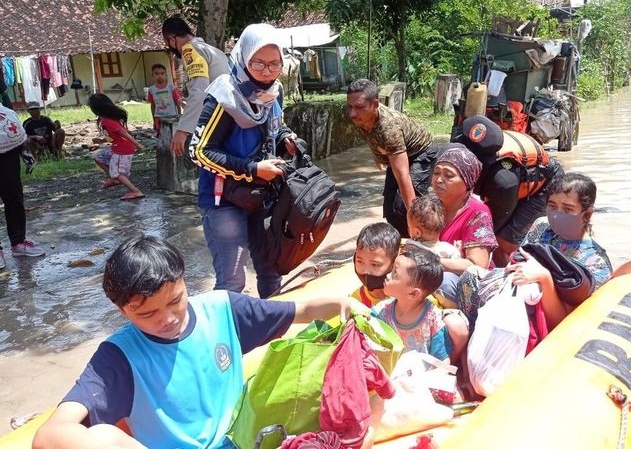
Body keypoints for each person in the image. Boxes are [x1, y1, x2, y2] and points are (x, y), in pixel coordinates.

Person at [31, 235, 363, 449]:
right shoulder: (118, 356)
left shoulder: (223, 309)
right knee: (103, 436)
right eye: (147, 314)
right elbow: (49, 435)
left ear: (183, 281)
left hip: (241, 442)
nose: (167, 319)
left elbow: (301, 309)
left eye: (175, 301)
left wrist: (342, 304)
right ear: (122, 310)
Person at [189, 23, 297, 297]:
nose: (267, 71)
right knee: (233, 282)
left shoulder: (274, 92)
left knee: (272, 270)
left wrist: (286, 137)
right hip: (224, 199)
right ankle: (228, 337)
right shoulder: (224, 96)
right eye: (258, 63)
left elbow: (273, 128)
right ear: (243, 57)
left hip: (262, 195)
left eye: (275, 64)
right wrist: (252, 169)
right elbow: (199, 150)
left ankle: (273, 334)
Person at [454, 115, 563, 267]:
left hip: (544, 184)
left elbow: (490, 225)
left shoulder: (502, 180)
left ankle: (533, 269)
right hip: (520, 179)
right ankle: (503, 274)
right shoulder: (469, 145)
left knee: (502, 240)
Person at [508, 172, 612, 329]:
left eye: (568, 209)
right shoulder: (541, 226)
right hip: (514, 302)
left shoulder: (596, 264)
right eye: (552, 206)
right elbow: (519, 259)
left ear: (587, 214)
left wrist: (544, 278)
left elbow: (567, 326)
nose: (556, 214)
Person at [347, 79, 438, 237]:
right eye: (350, 107)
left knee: (403, 205)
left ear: (375, 104)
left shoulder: (389, 127)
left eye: (359, 107)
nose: (352, 113)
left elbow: (402, 174)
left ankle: (421, 237)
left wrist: (412, 217)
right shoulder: (361, 115)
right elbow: (371, 135)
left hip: (421, 152)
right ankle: (400, 242)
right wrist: (378, 155)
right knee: (390, 207)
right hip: (395, 153)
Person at [162, 16, 230, 157]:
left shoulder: (190, 50)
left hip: (217, 121)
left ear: (172, 39)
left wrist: (182, 130)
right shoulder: (212, 50)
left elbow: (199, 91)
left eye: (168, 43)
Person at [372, 244, 452, 361]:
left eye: (395, 273)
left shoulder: (432, 320)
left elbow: (442, 360)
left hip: (420, 377)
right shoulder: (380, 312)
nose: (388, 276)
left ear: (413, 294)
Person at [432, 145, 498, 274]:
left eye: (449, 175)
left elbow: (477, 265)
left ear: (467, 182)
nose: (438, 180)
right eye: (436, 173)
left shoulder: (478, 213)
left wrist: (429, 262)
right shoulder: (430, 206)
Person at [0, 105, 44, 270]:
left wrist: (24, 152)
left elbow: (15, 131)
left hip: (8, 157)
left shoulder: (7, 111)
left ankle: (18, 242)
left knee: (14, 199)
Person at [88, 94, 146, 201]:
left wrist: (137, 144)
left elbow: (123, 133)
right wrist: (101, 141)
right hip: (117, 146)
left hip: (122, 149)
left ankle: (135, 191)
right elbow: (114, 135)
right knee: (98, 157)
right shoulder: (106, 119)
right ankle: (114, 179)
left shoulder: (107, 120)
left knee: (117, 173)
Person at [352, 222, 401, 307]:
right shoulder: (356, 301)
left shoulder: (406, 295)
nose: (366, 271)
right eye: (360, 262)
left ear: (394, 263)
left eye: (374, 265)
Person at [406, 194, 461, 260]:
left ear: (417, 232)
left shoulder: (411, 247)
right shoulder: (450, 251)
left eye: (409, 226)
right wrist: (458, 251)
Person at [146, 63, 183, 137]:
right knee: (162, 137)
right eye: (156, 73)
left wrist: (179, 117)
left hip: (172, 117)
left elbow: (177, 103)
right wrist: (154, 119)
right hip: (159, 118)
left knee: (173, 136)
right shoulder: (151, 90)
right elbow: (153, 105)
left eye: (162, 73)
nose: (160, 76)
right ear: (152, 75)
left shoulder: (171, 88)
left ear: (166, 75)